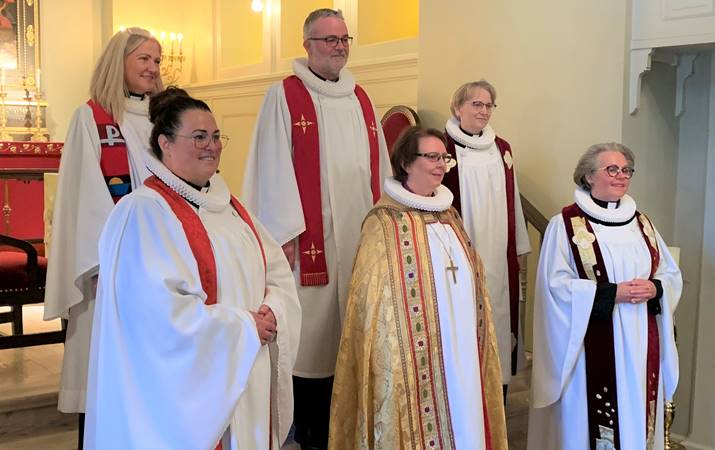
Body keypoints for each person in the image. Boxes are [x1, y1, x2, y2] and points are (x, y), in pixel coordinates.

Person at [83, 87, 302, 449]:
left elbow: (274, 269)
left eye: (216, 137)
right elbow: (155, 318)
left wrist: (273, 311)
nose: (211, 146)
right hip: (184, 400)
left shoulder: (231, 208)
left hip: (245, 368)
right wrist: (245, 325)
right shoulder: (143, 213)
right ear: (165, 143)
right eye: (198, 136)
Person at [242, 8, 391, 449]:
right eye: (329, 39)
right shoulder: (284, 95)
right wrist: (283, 234)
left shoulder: (361, 97)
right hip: (309, 244)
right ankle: (308, 430)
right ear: (306, 44)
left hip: (357, 237)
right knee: (312, 344)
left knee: (349, 333)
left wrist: (383, 223)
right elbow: (272, 166)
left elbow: (378, 167)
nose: (339, 46)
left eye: (344, 38)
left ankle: (349, 424)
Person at [329, 127, 508, 450]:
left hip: (460, 347)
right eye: (432, 157)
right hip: (412, 357)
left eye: (444, 157)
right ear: (407, 163)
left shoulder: (450, 215)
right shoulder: (383, 223)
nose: (441, 164)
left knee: (465, 414)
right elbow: (372, 304)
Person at [42, 27, 162, 445]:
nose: (153, 68)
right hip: (110, 268)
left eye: (157, 60)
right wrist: (104, 258)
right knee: (105, 365)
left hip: (163, 263)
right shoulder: (90, 117)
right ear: (119, 63)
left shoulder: (167, 117)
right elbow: (83, 195)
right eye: (144, 59)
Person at [527, 143, 682, 450]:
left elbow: (669, 272)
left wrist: (656, 288)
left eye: (626, 170)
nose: (621, 176)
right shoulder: (566, 224)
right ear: (587, 177)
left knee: (635, 410)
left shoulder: (643, 224)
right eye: (611, 169)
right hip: (589, 343)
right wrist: (611, 294)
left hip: (640, 340)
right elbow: (554, 286)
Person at [442, 80, 531, 394]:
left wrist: (519, 246)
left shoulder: (501, 148)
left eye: (488, 105)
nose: (483, 110)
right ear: (458, 108)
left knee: (498, 318)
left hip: (498, 253)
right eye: (476, 104)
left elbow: (513, 197)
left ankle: (498, 403)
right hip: (457, 254)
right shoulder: (442, 148)